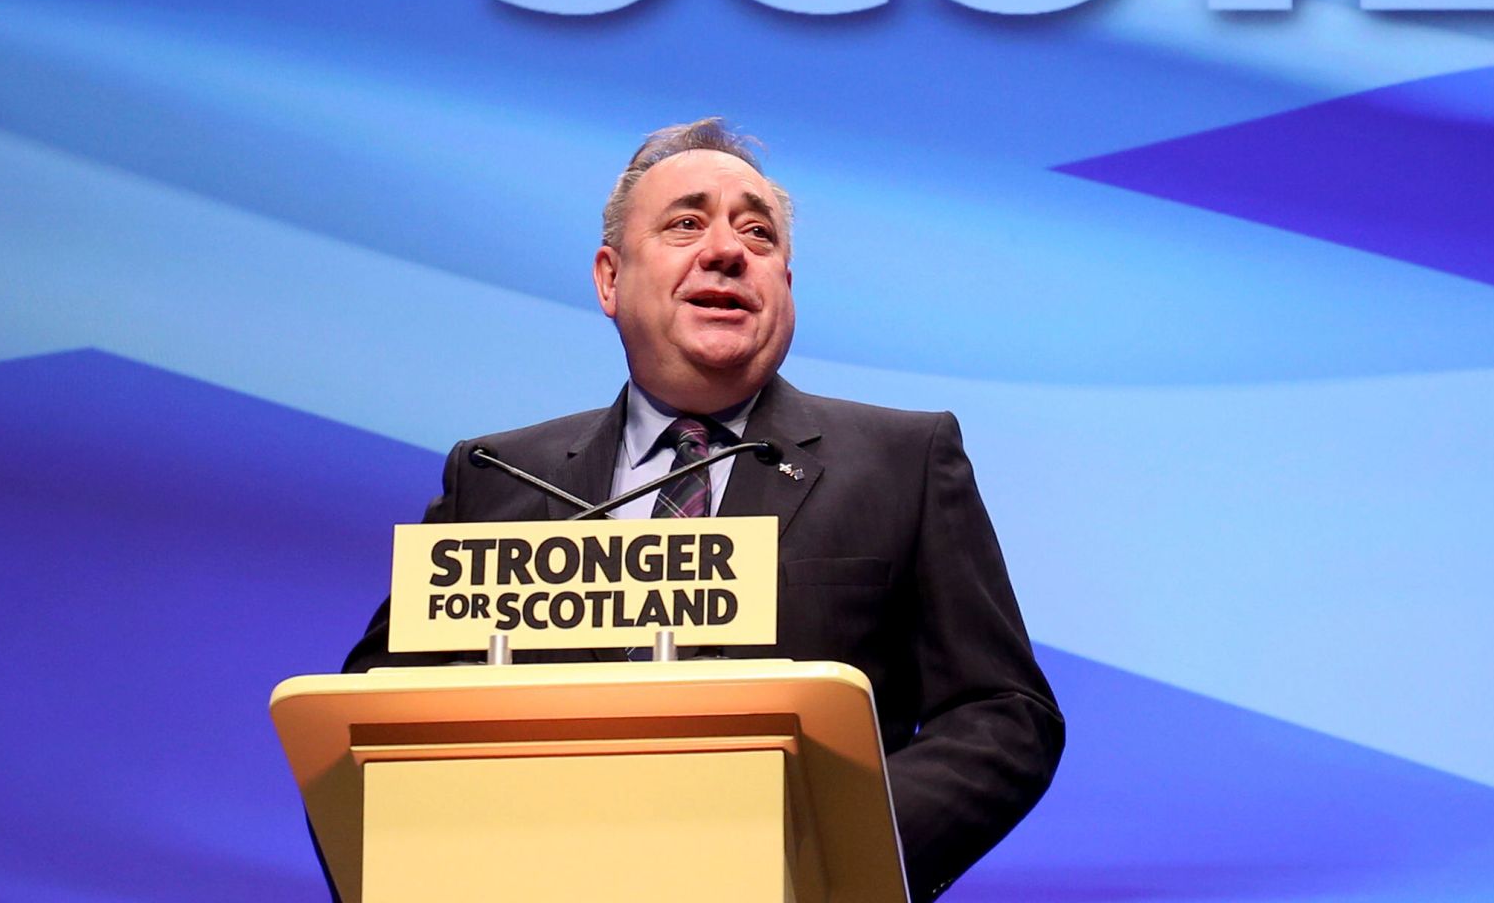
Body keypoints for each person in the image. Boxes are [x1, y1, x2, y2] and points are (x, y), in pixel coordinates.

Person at [342, 119, 1062, 902]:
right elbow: (366, 719)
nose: (727, 250)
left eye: (758, 233)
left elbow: (1002, 713)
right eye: (686, 223)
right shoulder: (497, 478)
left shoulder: (904, 460)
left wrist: (830, 846)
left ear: (785, 284)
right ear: (609, 279)